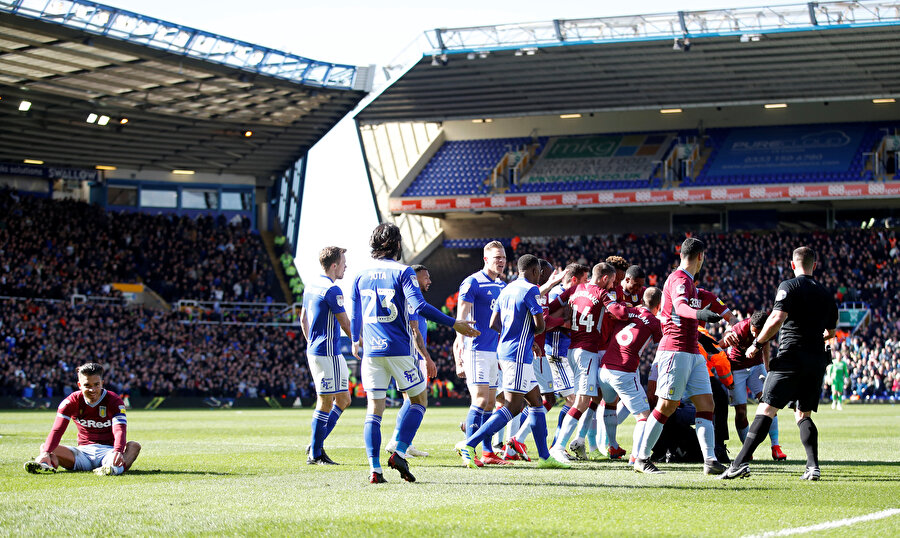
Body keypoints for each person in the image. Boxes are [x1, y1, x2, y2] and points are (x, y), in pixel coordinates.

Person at [351, 223, 478, 484]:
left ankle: (375, 470)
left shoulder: (359, 275)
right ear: (396, 244)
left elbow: (355, 315)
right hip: (398, 348)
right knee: (419, 400)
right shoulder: (403, 272)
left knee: (373, 411)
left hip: (371, 351)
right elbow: (419, 307)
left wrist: (355, 340)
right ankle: (399, 450)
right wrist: (453, 323)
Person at [720, 246, 838, 481]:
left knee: (766, 408)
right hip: (816, 360)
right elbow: (831, 333)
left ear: (793, 265)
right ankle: (813, 467)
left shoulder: (788, 286)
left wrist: (757, 343)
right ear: (814, 265)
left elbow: (776, 318)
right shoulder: (826, 294)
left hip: (791, 357)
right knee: (803, 414)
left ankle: (739, 464)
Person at [455, 254, 570, 469]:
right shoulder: (531, 290)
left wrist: (513, 333)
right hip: (517, 354)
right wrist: (525, 335)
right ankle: (469, 443)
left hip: (511, 352)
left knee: (537, 401)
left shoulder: (505, 289)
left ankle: (545, 458)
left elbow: (493, 323)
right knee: (513, 406)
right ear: (535, 272)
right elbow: (540, 325)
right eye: (539, 274)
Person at [633, 237, 727, 475]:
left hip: (692, 351)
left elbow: (708, 300)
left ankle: (710, 461)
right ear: (701, 257)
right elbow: (682, 308)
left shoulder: (690, 283)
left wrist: (730, 318)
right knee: (667, 405)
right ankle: (642, 458)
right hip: (675, 350)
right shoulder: (679, 279)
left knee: (707, 404)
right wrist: (700, 314)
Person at [546, 262, 627, 464]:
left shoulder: (574, 289)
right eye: (613, 281)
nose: (612, 286)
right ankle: (558, 446)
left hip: (572, 349)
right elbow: (619, 313)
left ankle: (579, 442)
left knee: (587, 398)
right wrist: (636, 312)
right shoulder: (601, 293)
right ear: (606, 278)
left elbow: (551, 307)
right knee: (581, 401)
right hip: (587, 351)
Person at [24, 362, 141, 476]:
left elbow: (119, 430)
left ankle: (111, 468)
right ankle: (45, 466)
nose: (93, 390)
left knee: (134, 446)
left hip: (109, 452)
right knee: (45, 447)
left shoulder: (114, 400)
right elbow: (57, 430)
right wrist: (45, 453)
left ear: (102, 383)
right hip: (82, 453)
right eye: (87, 385)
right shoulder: (71, 402)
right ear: (79, 385)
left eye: (96, 384)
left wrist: (118, 451)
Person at [453, 241, 508, 465]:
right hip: (475, 349)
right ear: (486, 259)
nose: (501, 261)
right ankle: (468, 450)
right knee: (481, 399)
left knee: (492, 401)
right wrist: (459, 352)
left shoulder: (503, 286)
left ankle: (487, 452)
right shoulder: (472, 282)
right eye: (497, 258)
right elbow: (460, 320)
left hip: (493, 351)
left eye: (503, 257)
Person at [300, 246, 353, 465]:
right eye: (343, 263)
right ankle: (315, 453)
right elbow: (346, 324)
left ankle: (316, 442)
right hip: (325, 353)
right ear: (334, 265)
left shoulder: (310, 286)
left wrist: (310, 342)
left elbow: (304, 320)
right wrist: (362, 344)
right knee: (324, 401)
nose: (345, 266)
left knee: (343, 399)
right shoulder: (333, 290)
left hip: (329, 352)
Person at [596, 287, 662, 463]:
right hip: (624, 371)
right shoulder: (654, 321)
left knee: (610, 404)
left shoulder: (628, 311)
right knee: (643, 416)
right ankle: (636, 457)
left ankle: (611, 444)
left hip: (604, 369)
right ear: (659, 304)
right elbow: (661, 340)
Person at [720, 310, 787, 460]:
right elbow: (721, 346)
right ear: (750, 326)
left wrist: (767, 367)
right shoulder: (740, 329)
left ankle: (775, 446)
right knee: (741, 411)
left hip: (757, 367)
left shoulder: (769, 328)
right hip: (737, 370)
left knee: (769, 403)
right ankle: (747, 450)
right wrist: (725, 372)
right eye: (754, 332)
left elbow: (766, 343)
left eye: (759, 333)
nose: (756, 337)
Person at [386, 264, 437, 457]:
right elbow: (415, 332)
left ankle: (405, 443)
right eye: (426, 277)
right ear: (414, 279)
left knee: (409, 399)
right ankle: (396, 441)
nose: (429, 281)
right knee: (415, 400)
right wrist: (427, 358)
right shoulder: (412, 301)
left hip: (411, 355)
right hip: (413, 356)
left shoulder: (413, 300)